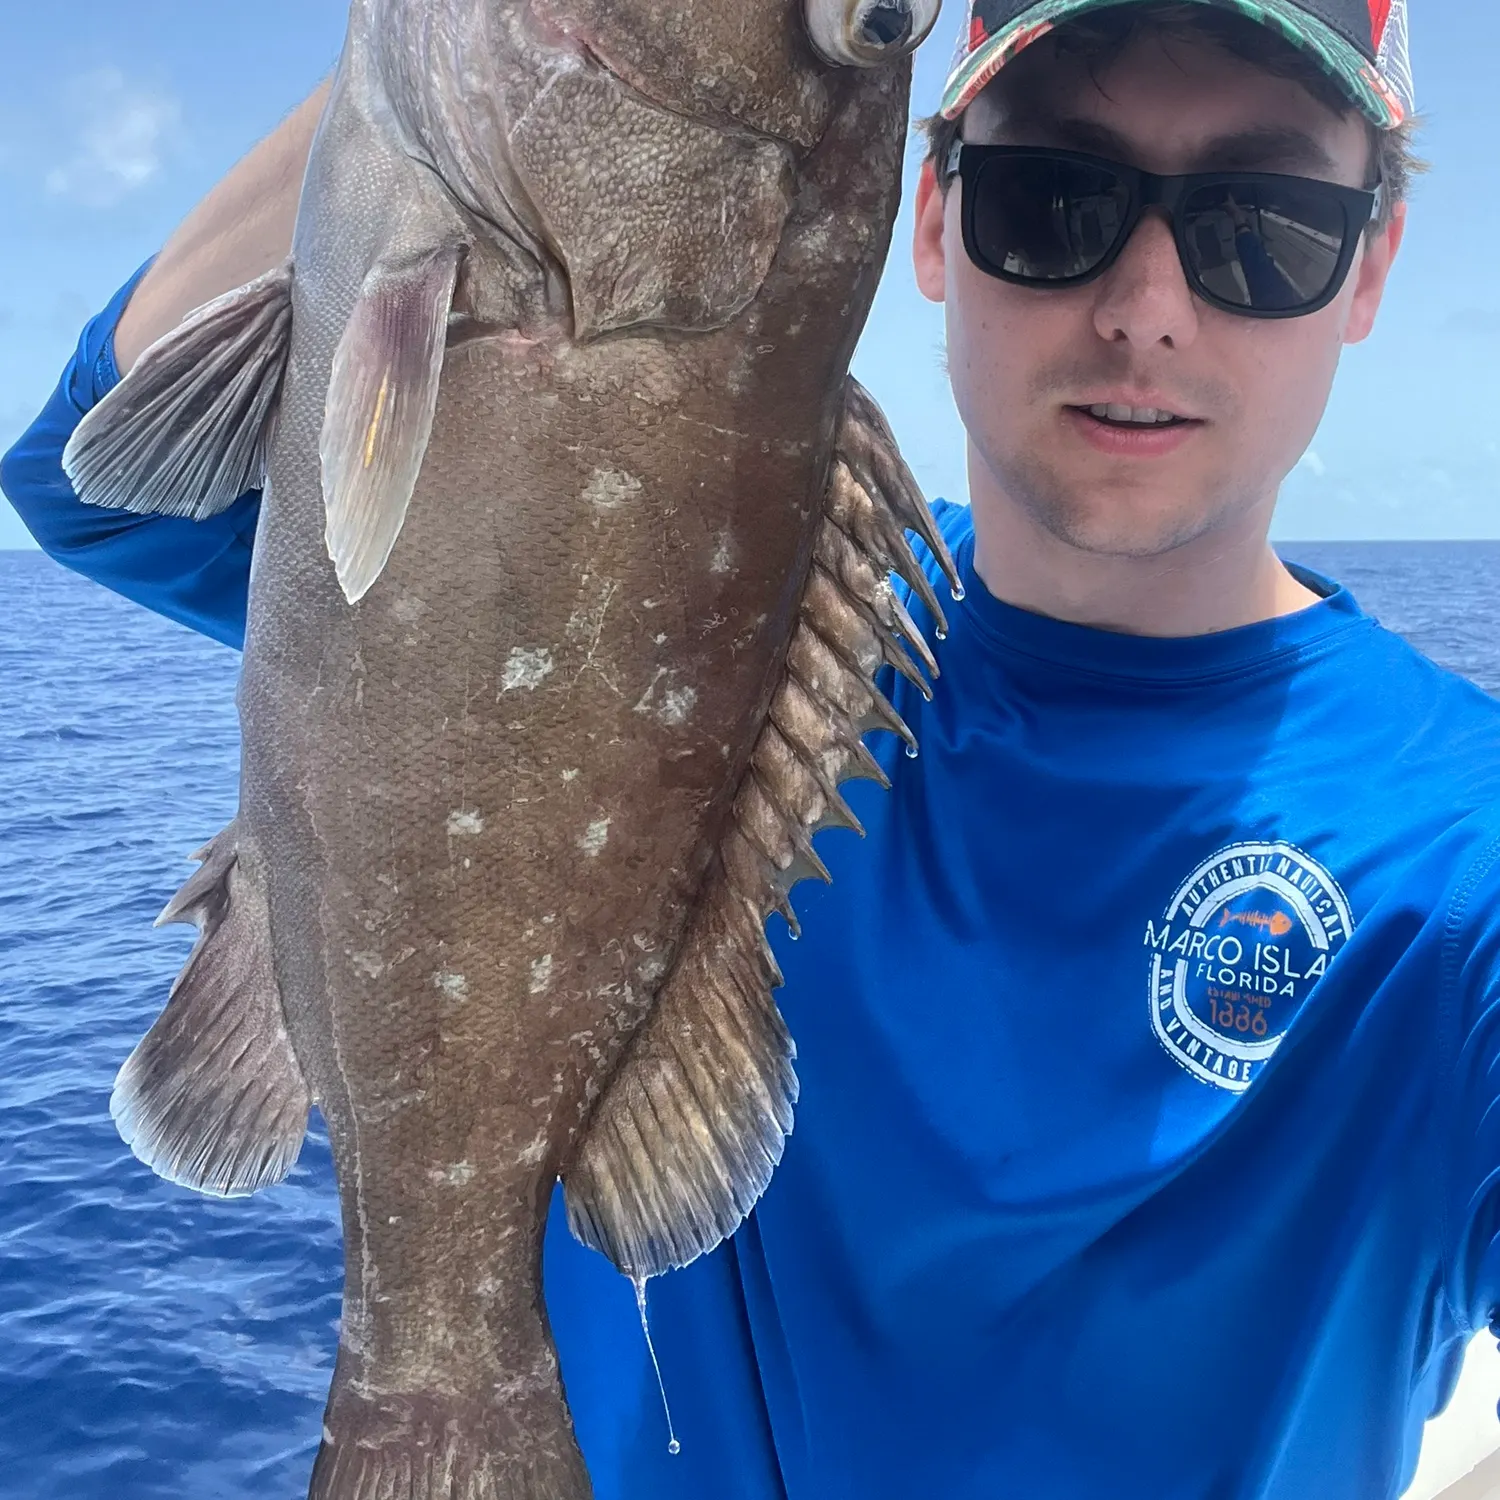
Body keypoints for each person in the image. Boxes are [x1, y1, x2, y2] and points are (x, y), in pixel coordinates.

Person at [4, 1, 1493, 1497]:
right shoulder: (678, 586)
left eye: (1266, 226)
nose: (1148, 309)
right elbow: (96, 487)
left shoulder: (1460, 861)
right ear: (932, 216)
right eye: (1059, 202)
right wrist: (429, 65)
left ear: (1370, 267)